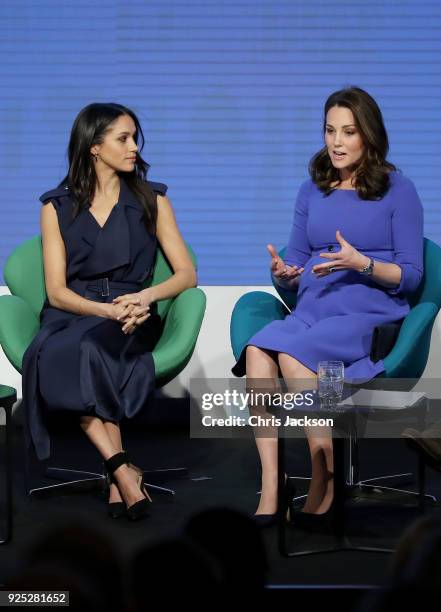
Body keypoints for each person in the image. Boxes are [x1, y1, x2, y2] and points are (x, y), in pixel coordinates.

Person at [232, 87, 424, 528]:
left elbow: (412, 276)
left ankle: (325, 476)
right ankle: (273, 485)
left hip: (368, 309)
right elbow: (298, 257)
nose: (336, 142)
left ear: (369, 137)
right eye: (329, 130)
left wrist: (364, 263)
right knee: (258, 353)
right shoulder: (312, 189)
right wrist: (285, 272)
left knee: (294, 355)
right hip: (314, 305)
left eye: (349, 132)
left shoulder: (399, 190)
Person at [22, 103, 196, 520]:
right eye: (123, 138)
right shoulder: (55, 207)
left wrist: (145, 299)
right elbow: (57, 292)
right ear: (94, 147)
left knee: (85, 352)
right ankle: (121, 469)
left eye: (135, 137)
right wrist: (105, 312)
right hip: (75, 311)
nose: (134, 146)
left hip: (132, 309)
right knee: (68, 350)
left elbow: (187, 274)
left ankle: (119, 473)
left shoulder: (152, 200)